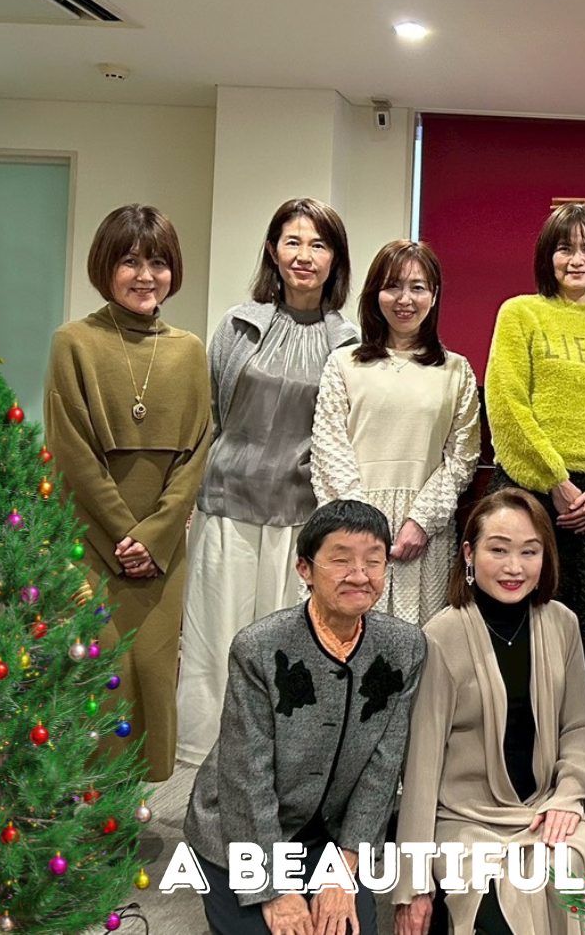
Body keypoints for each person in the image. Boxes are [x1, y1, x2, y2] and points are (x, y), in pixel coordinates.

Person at [184, 499, 425, 935]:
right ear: (305, 569)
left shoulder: (404, 647)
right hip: (241, 830)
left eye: (373, 561)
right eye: (341, 560)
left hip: (330, 836)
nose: (359, 575)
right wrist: (273, 888)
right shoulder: (260, 647)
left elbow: (383, 767)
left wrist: (344, 868)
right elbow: (246, 776)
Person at [175, 197, 357, 768]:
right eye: (293, 241)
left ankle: (277, 761)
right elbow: (211, 414)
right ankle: (205, 758)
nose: (304, 255)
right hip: (226, 503)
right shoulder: (238, 326)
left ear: (335, 259)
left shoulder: (348, 342)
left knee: (285, 647)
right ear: (273, 251)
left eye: (318, 244)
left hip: (299, 516)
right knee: (216, 638)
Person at [44, 205, 212, 782]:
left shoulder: (189, 349)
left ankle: (134, 806)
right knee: (101, 676)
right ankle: (91, 809)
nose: (145, 276)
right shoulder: (73, 342)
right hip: (92, 542)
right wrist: (124, 535)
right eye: (130, 262)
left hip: (161, 550)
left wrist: (155, 537)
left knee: (153, 671)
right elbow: (72, 452)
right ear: (105, 266)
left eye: (158, 263)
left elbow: (197, 450)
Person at [394, 489, 585, 935]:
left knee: (579, 869)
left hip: (544, 809)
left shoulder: (562, 623)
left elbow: (580, 726)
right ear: (469, 554)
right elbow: (421, 765)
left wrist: (568, 796)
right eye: (499, 550)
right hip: (465, 821)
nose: (514, 567)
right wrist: (413, 884)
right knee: (501, 913)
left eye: (529, 552)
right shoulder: (441, 635)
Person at [485, 202, 585, 767]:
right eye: (565, 248)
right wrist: (554, 480)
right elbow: (507, 403)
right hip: (530, 492)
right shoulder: (520, 314)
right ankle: (516, 751)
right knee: (522, 618)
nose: (577, 259)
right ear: (546, 257)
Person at [312, 239, 481, 625]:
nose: (405, 299)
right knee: (343, 634)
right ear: (375, 294)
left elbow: (462, 458)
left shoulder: (456, 371)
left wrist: (419, 522)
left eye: (417, 287)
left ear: (433, 295)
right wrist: (361, 526)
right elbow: (329, 447)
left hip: (423, 536)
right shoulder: (343, 364)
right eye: (393, 286)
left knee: (418, 641)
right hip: (349, 528)